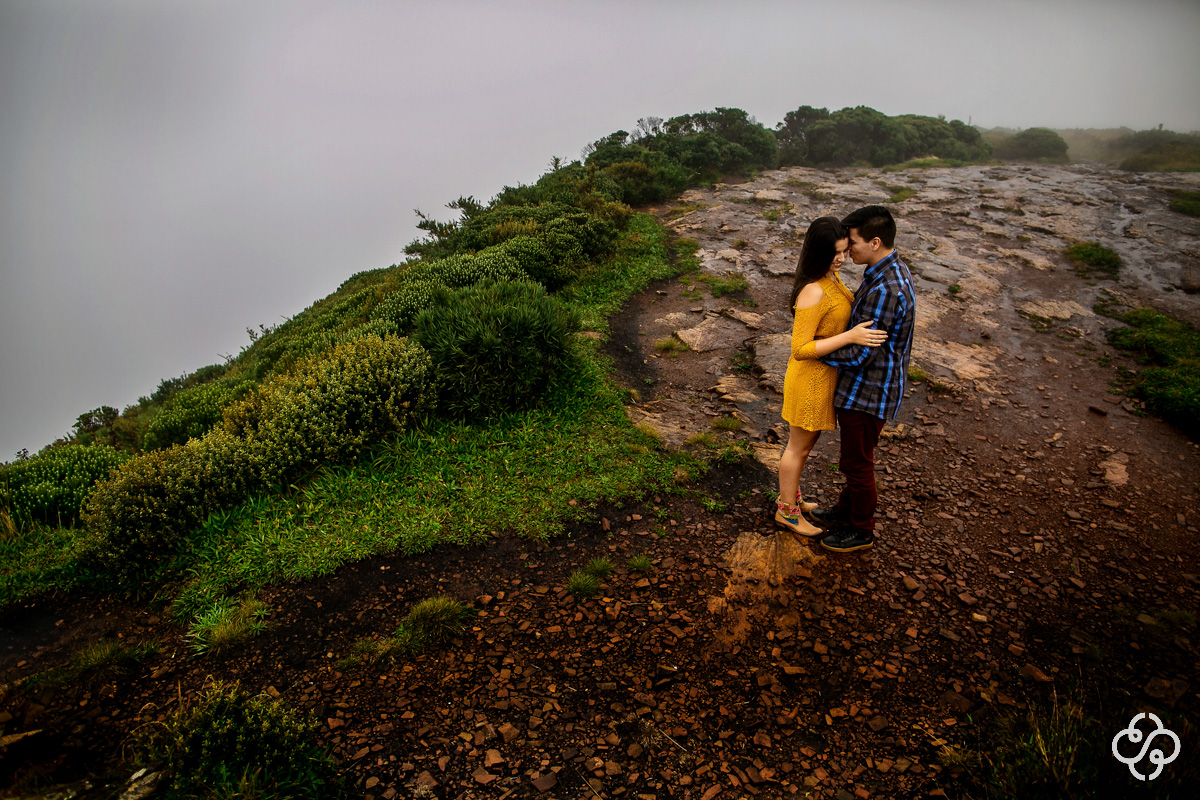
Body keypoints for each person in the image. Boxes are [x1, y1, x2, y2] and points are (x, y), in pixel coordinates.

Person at [810, 205, 916, 553]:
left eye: (852, 243)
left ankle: (862, 530)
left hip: (869, 390)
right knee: (858, 457)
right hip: (871, 386)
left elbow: (860, 353)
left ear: (874, 241)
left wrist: (816, 349)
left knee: (857, 463)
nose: (847, 249)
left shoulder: (887, 288)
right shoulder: (883, 271)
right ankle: (846, 510)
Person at [776, 216, 886, 538]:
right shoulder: (812, 290)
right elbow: (799, 348)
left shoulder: (832, 280)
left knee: (805, 447)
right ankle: (787, 514)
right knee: (797, 448)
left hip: (824, 380)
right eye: (834, 253)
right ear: (818, 252)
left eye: (843, 251)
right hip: (808, 380)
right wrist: (849, 337)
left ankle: (792, 499)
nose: (841, 258)